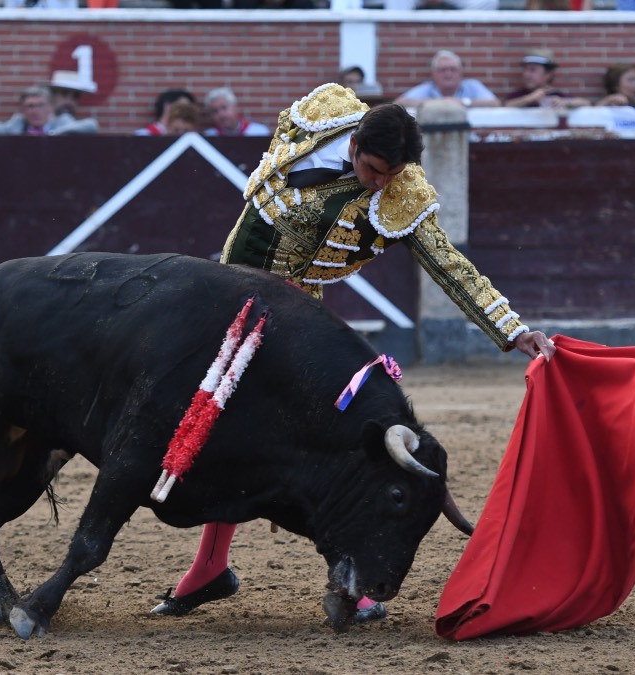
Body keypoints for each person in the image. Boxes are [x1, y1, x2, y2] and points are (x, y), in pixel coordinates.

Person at [150, 82, 557, 625]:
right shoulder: (324, 112)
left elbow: (449, 266)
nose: (383, 183)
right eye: (373, 170)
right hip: (225, 300)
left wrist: (512, 328)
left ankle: (351, 581)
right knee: (219, 429)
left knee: (325, 447)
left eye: (392, 174)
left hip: (293, 323)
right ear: (355, 143)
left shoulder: (402, 193)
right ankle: (212, 567)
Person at [0, 84, 97, 135]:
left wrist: (52, 134)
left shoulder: (61, 121)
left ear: (50, 108)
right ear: (23, 110)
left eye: (40, 106)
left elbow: (91, 126)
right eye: (30, 106)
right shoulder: (17, 124)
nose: (35, 111)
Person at [394, 50, 500, 109]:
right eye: (442, 70)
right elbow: (398, 104)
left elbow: (495, 103)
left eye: (453, 69)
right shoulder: (427, 88)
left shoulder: (472, 86)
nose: (448, 74)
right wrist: (439, 103)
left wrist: (463, 102)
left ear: (461, 72)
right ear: (434, 74)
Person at [504, 49, 591, 111]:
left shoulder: (556, 95)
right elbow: (506, 105)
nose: (526, 75)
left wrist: (565, 102)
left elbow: (586, 103)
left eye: (532, 70)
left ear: (548, 75)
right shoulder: (519, 95)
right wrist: (529, 99)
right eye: (525, 69)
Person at [202, 87, 270, 137]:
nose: (221, 114)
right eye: (215, 111)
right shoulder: (209, 136)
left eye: (224, 108)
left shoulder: (259, 132)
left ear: (235, 108)